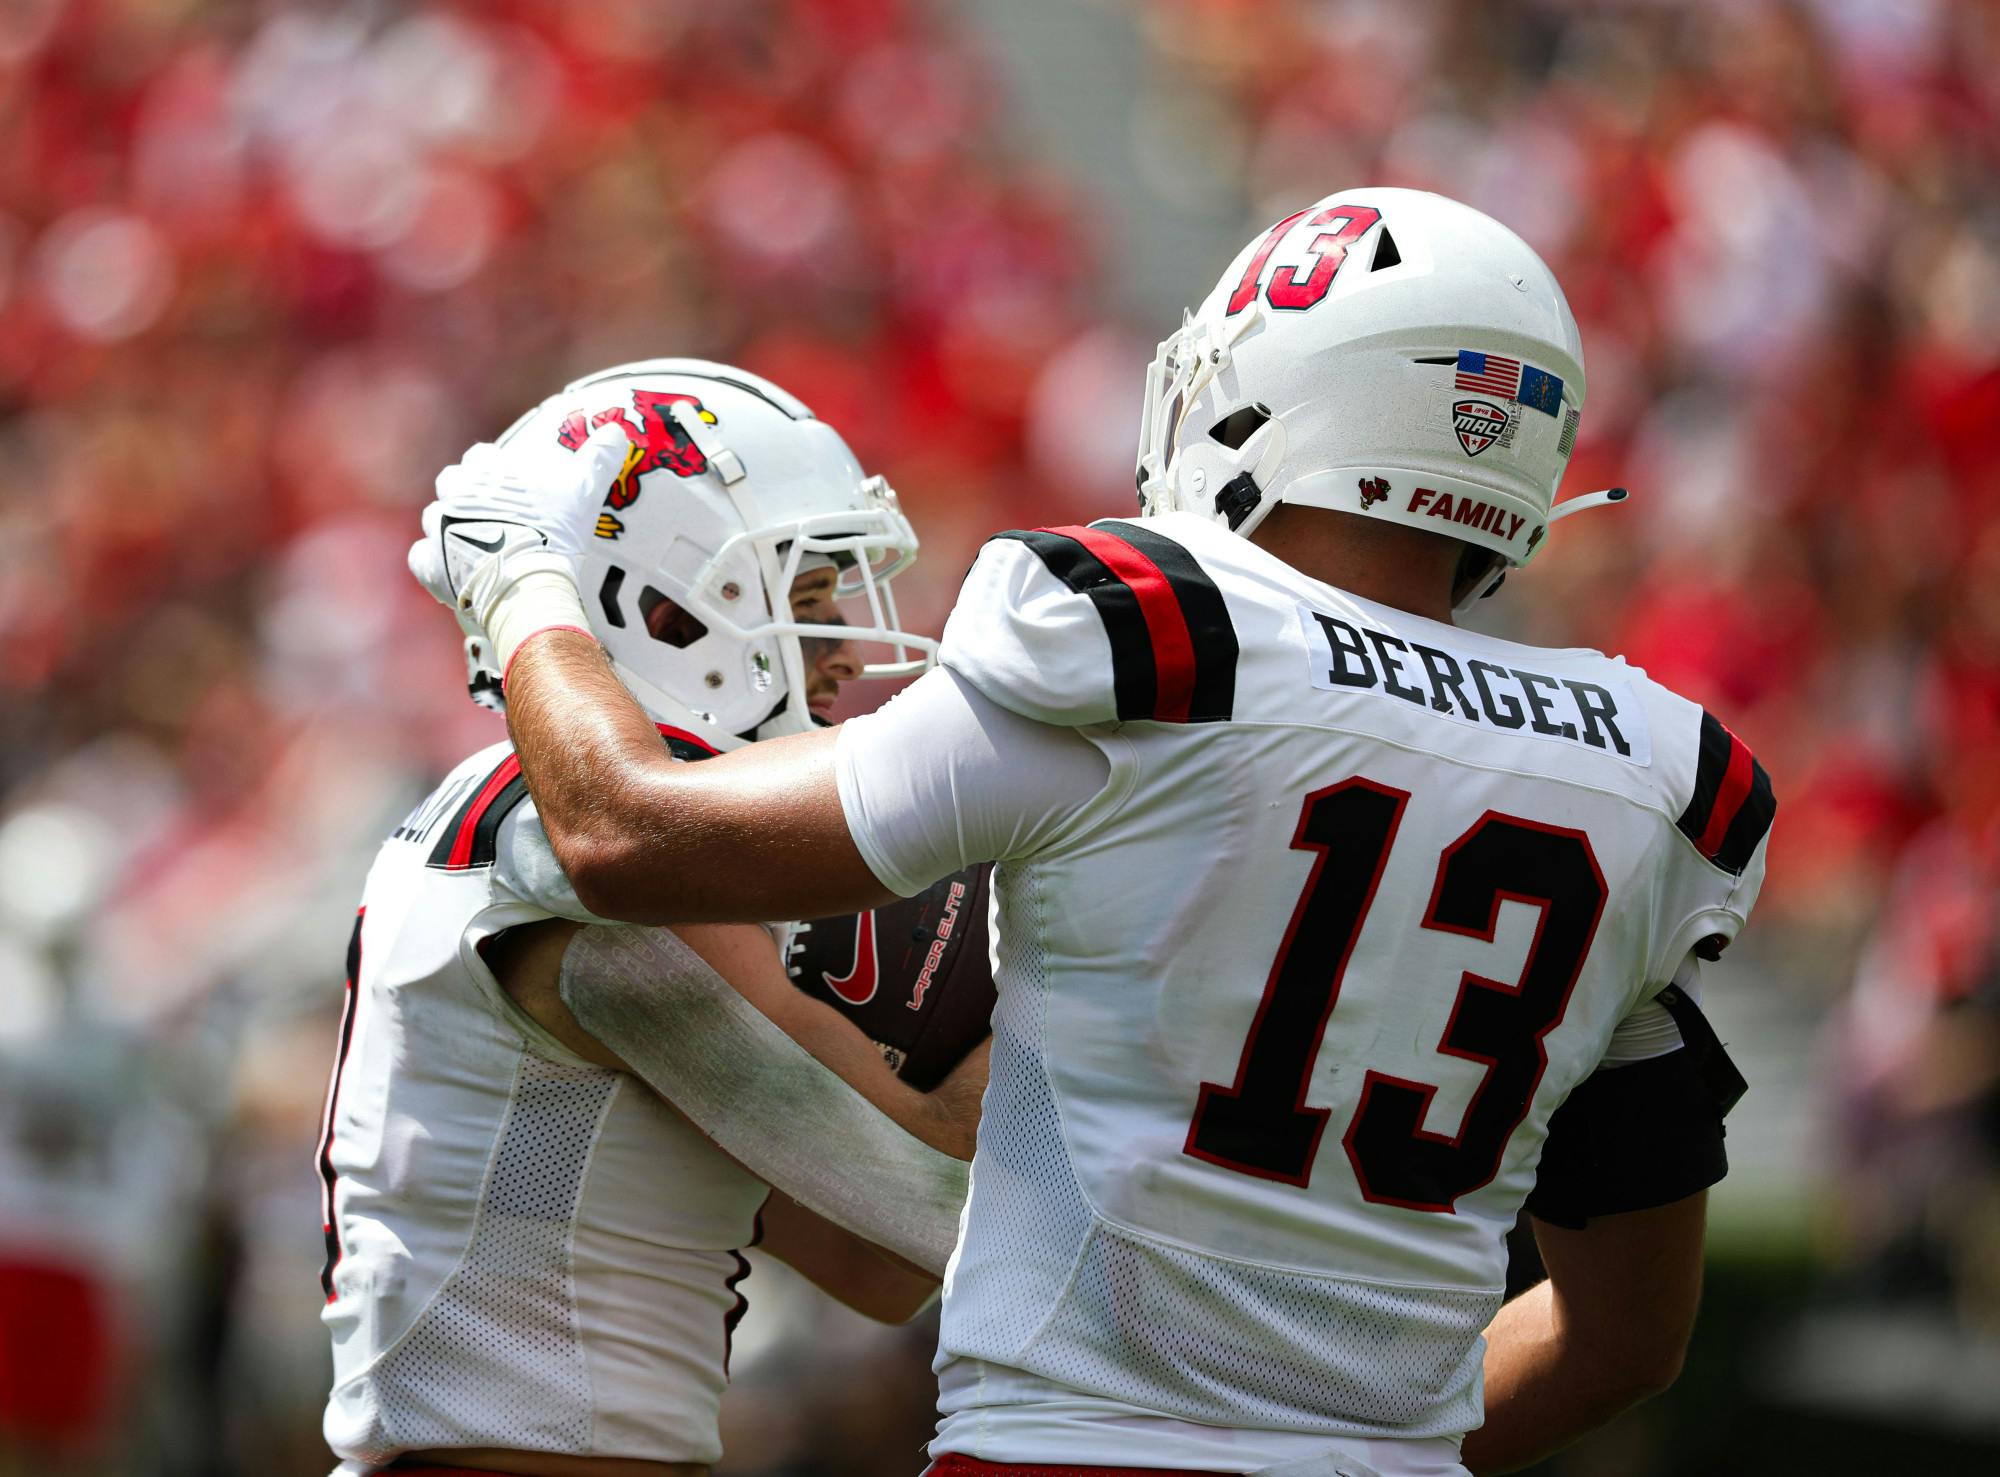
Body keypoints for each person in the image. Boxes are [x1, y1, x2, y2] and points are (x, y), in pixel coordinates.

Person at [410, 191, 1775, 1477]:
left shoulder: (1158, 638)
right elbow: (1625, 1340)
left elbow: (622, 835)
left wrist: (523, 571)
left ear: (1268, 396)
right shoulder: (1649, 775)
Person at [322, 360, 988, 1477]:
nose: (838, 656)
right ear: (658, 606)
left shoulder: (523, 821)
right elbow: (924, 1204)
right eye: (803, 603)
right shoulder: (562, 849)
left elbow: (878, 1264)